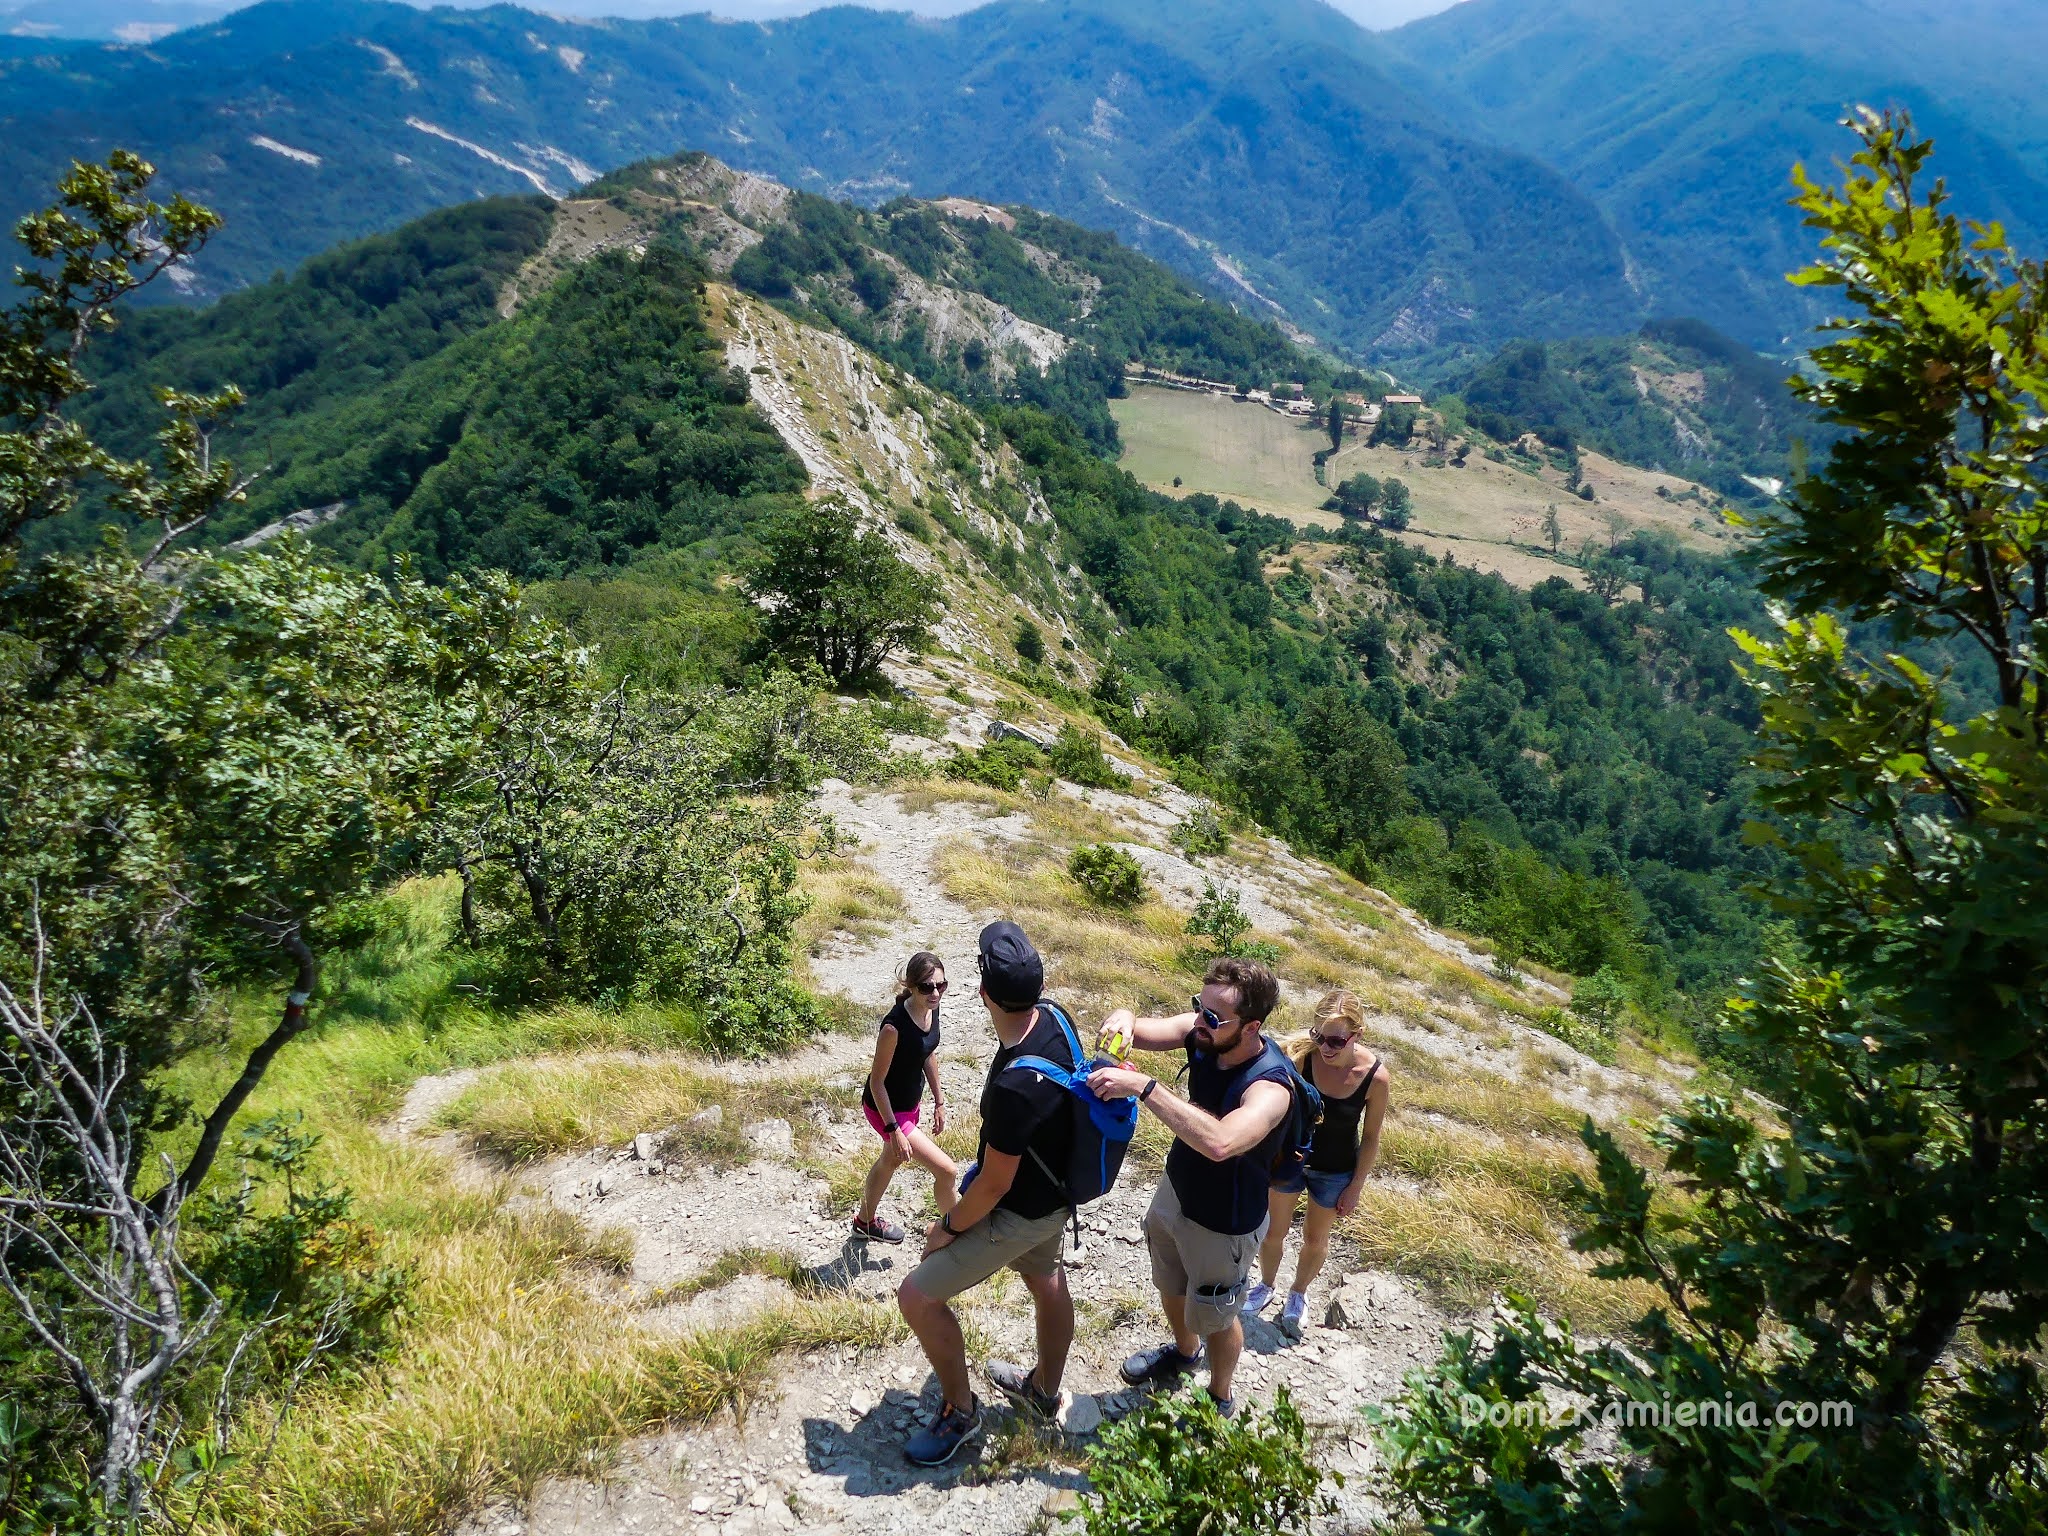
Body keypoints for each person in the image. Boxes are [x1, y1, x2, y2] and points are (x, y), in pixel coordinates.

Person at [896, 922, 1079, 1466]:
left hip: (1018, 1210)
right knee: (1046, 1279)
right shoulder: (1057, 1018)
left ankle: (961, 1410)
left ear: (982, 994)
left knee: (918, 1296)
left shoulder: (1012, 1089)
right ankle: (1044, 1391)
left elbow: (994, 1184)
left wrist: (946, 1227)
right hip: (1056, 1199)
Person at [1087, 957, 1292, 1417]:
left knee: (1219, 1316)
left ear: (1252, 1026)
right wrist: (1124, 1017)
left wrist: (1144, 1087)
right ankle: (1184, 1352)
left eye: (1214, 1017)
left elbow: (1221, 1143)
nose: (1200, 1020)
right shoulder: (1205, 1031)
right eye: (1199, 1006)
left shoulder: (1270, 1087)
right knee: (1171, 1281)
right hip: (1177, 1190)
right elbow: (1139, 1029)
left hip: (1225, 1221)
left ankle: (1219, 1397)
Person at [1247, 990, 1389, 1338]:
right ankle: (1266, 1285)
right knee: (1273, 1232)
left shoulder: (1375, 1078)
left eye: (1337, 1040)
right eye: (1319, 1036)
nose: (1326, 1047)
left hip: (1335, 1169)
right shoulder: (1301, 1059)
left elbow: (1370, 1138)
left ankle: (1298, 1293)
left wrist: (1355, 1187)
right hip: (1291, 1159)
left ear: (1357, 1035)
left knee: (1315, 1239)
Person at [851, 951, 958, 1245]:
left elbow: (928, 1052)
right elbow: (876, 1082)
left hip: (909, 1105)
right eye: (927, 987)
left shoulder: (929, 1009)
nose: (935, 993)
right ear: (911, 986)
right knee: (947, 1171)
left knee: (889, 1162)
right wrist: (893, 1130)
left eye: (941, 985)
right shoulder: (893, 1028)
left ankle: (865, 1222)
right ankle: (956, 1233)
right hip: (886, 1110)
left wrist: (939, 1100)